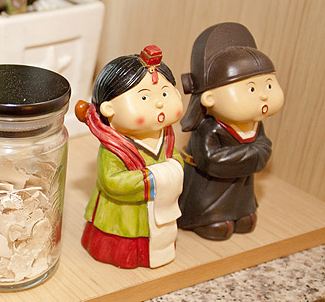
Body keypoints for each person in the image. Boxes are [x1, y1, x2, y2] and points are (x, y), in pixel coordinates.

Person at [76, 45, 184, 269]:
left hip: (157, 209)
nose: (160, 103)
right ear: (109, 108)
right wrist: (152, 177)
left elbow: (175, 158)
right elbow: (112, 182)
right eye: (144, 97)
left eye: (165, 93)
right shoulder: (113, 148)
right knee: (123, 243)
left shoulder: (166, 136)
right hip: (121, 213)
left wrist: (175, 166)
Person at [177, 22, 284, 240]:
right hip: (209, 187)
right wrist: (253, 154)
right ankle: (208, 218)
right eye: (251, 89)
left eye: (269, 85)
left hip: (241, 184)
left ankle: (241, 212)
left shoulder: (255, 123)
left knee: (246, 216)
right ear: (209, 97)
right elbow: (210, 160)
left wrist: (249, 155)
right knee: (216, 221)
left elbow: (265, 147)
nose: (263, 96)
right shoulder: (208, 128)